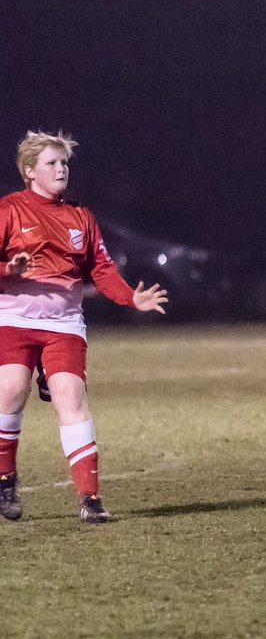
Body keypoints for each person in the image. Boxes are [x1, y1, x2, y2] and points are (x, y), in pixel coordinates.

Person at [0, 131, 168, 525]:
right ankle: (5, 480)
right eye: (52, 164)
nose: (62, 170)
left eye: (64, 163)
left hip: (63, 324)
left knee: (70, 396)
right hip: (14, 320)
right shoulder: (8, 211)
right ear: (30, 172)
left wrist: (131, 297)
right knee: (10, 390)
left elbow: (102, 269)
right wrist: (9, 269)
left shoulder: (81, 216)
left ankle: (90, 500)